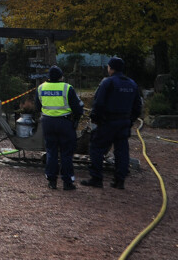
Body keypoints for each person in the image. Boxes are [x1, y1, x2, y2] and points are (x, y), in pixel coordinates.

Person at [82, 57, 143, 189]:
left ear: (111, 68)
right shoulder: (132, 84)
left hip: (108, 122)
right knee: (122, 151)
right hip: (124, 122)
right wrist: (130, 120)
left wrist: (96, 119)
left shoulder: (108, 82)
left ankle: (96, 178)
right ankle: (119, 180)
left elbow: (98, 103)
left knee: (96, 148)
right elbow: (138, 106)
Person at [36, 66, 84, 190]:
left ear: (48, 77)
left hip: (47, 123)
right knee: (66, 153)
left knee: (51, 152)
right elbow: (78, 109)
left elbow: (37, 106)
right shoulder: (67, 88)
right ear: (61, 77)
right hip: (64, 123)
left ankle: (52, 181)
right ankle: (67, 182)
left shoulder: (41, 88)